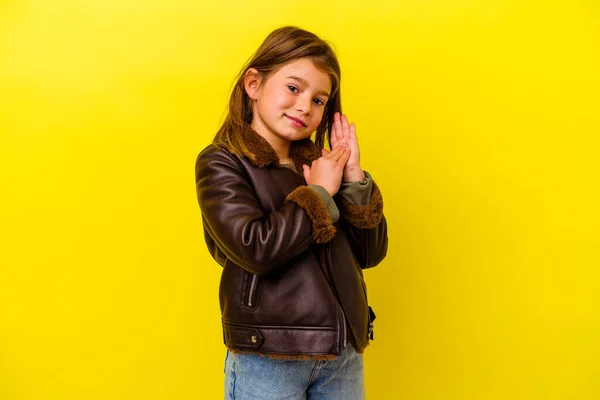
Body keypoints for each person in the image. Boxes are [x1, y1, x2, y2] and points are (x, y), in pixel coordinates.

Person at [194, 26, 388, 400]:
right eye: (294, 88)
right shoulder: (221, 163)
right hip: (269, 356)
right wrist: (318, 193)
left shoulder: (322, 167)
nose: (305, 106)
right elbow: (255, 249)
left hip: (342, 352)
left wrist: (352, 180)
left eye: (319, 100)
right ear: (253, 84)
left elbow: (370, 253)